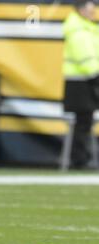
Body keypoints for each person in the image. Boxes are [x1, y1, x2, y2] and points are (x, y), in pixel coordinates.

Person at [63, 0, 99, 169]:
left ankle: (83, 158)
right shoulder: (77, 28)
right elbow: (84, 56)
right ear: (81, 8)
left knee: (85, 121)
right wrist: (95, 76)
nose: (93, 11)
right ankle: (79, 160)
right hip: (81, 83)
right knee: (83, 122)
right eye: (90, 8)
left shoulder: (86, 26)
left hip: (85, 81)